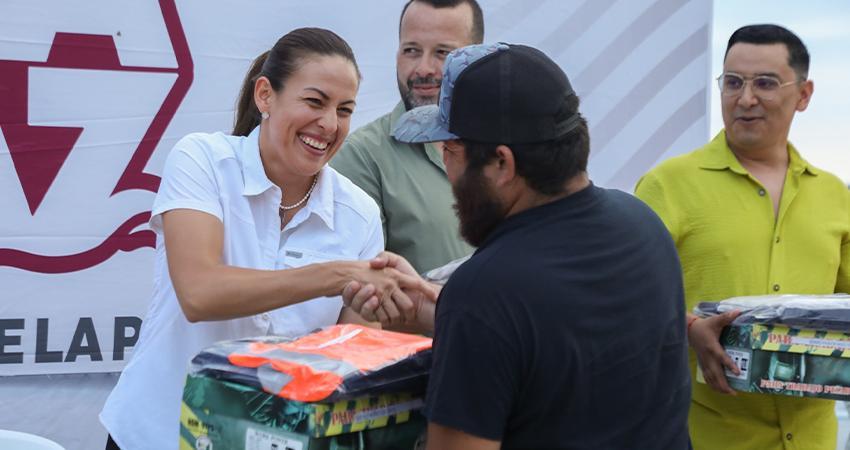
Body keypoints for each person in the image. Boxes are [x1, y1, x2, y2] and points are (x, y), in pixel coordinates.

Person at [99, 28, 435, 450]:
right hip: (155, 435)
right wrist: (336, 276)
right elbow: (199, 293)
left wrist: (378, 311)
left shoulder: (359, 213)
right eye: (315, 102)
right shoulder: (201, 160)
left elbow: (345, 366)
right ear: (265, 96)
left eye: (345, 110)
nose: (329, 124)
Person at [347, 43, 691, 449]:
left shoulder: (485, 291)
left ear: (501, 164)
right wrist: (436, 309)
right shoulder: (641, 224)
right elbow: (558, 339)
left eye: (450, 150)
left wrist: (461, 310)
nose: (448, 171)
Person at [635, 24, 850, 450]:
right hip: (705, 435)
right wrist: (689, 327)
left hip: (814, 438)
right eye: (733, 82)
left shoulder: (834, 195)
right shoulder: (668, 184)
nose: (745, 98)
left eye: (765, 83)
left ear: (804, 95)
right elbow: (620, 296)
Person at [330, 0, 483, 273]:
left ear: (478, 58)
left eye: (442, 52)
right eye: (411, 50)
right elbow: (356, 291)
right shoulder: (362, 157)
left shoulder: (509, 143)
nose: (423, 68)